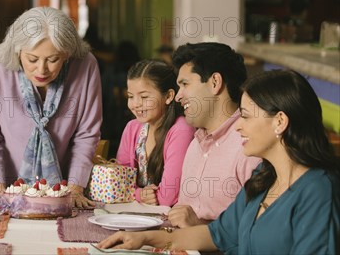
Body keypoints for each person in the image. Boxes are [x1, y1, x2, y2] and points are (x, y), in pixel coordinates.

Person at [97, 70, 339, 254]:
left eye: (245, 116)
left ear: (280, 121)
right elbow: (216, 233)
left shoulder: (317, 191)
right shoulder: (263, 177)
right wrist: (145, 239)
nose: (239, 126)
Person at [0, 7, 102, 208]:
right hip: (10, 189)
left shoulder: (85, 66)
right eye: (32, 59)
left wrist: (76, 188)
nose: (42, 69)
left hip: (65, 191)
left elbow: (87, 134)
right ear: (18, 51)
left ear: (67, 54)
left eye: (53, 59)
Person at [168, 42, 260, 228]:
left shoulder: (250, 145)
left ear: (215, 82)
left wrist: (200, 228)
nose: (178, 96)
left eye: (185, 84)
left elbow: (257, 234)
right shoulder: (195, 143)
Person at [116, 60, 195, 206]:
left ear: (169, 96)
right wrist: (140, 194)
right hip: (138, 212)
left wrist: (133, 193)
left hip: (170, 217)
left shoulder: (182, 130)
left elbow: (167, 197)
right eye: (131, 96)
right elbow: (119, 184)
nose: (135, 104)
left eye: (144, 97)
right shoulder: (132, 128)